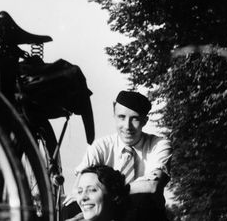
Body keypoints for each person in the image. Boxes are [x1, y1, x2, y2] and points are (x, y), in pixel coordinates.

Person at [64, 90, 172, 221]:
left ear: (144, 120)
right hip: (108, 211)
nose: (127, 126)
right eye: (121, 117)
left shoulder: (159, 144)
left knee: (144, 200)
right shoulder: (100, 146)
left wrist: (110, 193)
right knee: (70, 209)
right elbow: (78, 189)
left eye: (135, 118)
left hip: (145, 214)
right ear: (114, 115)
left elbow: (152, 186)